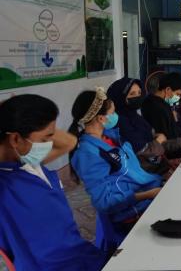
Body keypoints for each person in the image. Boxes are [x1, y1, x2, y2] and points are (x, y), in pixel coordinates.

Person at [0, 94, 108, 271]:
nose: (50, 143)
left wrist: (14, 116)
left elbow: (69, 142)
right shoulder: (5, 187)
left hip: (80, 254)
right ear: (15, 139)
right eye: (45, 139)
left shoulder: (28, 162)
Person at [69, 88, 163, 245]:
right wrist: (147, 194)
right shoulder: (88, 154)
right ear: (101, 118)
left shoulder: (111, 137)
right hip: (131, 213)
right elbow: (104, 202)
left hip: (146, 191)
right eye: (112, 113)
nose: (116, 116)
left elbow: (130, 171)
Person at [107, 77, 171, 175]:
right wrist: (159, 140)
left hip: (157, 166)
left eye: (139, 93)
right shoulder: (120, 123)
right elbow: (142, 150)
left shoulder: (135, 116)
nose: (137, 97)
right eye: (132, 94)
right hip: (145, 173)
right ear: (120, 97)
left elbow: (149, 137)